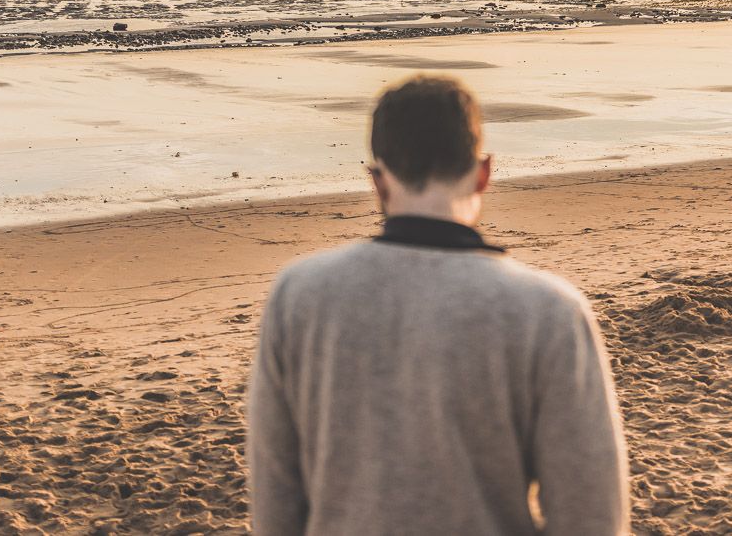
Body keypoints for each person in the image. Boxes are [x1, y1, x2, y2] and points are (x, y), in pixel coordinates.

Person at [248, 74, 629, 535]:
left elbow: (275, 501)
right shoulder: (547, 311)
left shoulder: (299, 295)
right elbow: (591, 515)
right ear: (484, 172)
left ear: (378, 181)